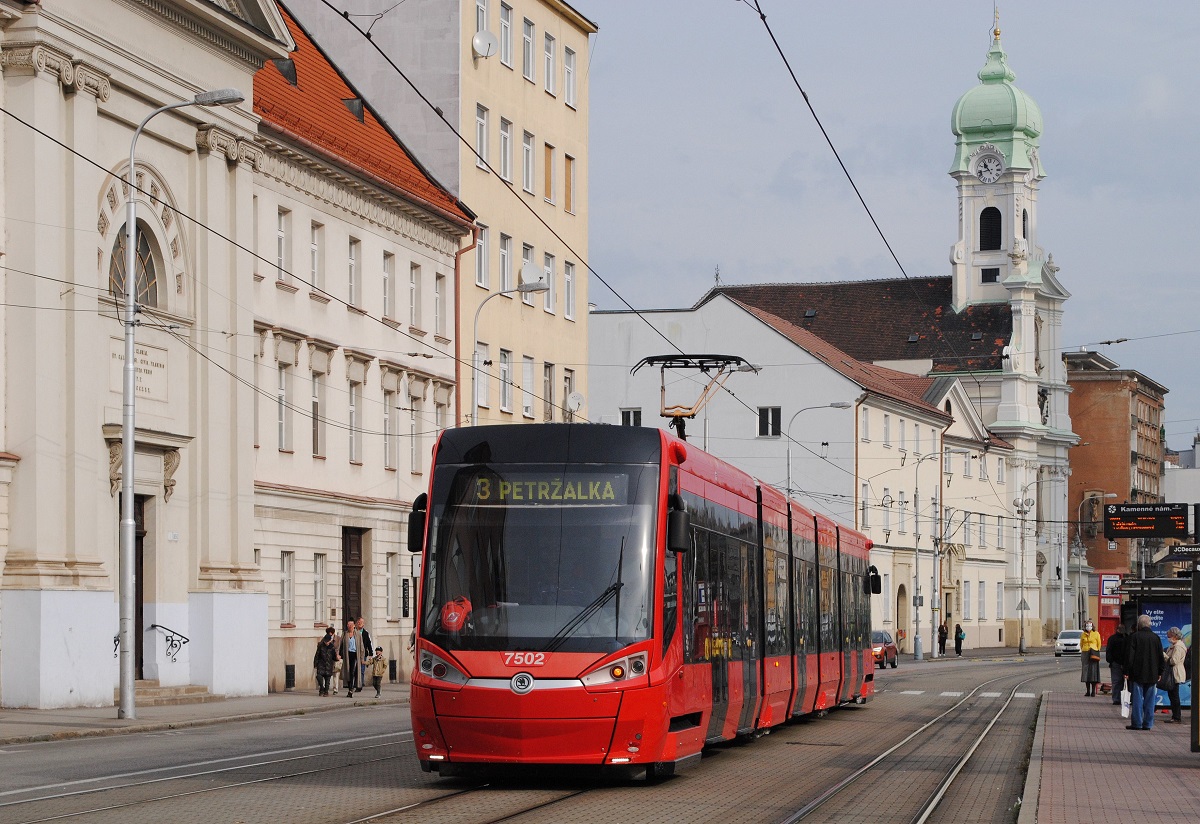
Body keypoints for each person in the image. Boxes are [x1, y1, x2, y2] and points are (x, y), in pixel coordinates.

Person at [1124, 614, 1164, 731]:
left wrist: (1126, 671)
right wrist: (1160, 672)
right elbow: (1160, 656)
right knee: (1150, 700)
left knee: (1137, 700)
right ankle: (1148, 723)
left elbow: (1129, 656)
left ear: (1139, 625)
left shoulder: (1135, 637)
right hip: (1152, 673)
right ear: (1149, 624)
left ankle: (1137, 723)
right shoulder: (1156, 638)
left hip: (1137, 673)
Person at [1163, 626, 1187, 724]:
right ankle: (1175, 716)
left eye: (1169, 636)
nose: (1168, 638)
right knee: (1172, 695)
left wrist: (1164, 655)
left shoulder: (1178, 646)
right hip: (1173, 672)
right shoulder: (1174, 645)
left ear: (1174, 636)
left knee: (1174, 695)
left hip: (1175, 673)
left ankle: (1177, 717)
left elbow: (1173, 661)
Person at [1105, 624, 1128, 706]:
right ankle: (1122, 699)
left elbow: (1109, 651)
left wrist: (1110, 660)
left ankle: (1116, 699)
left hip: (1116, 662)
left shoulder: (1112, 638)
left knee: (1116, 681)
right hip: (1122, 663)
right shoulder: (1126, 638)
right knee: (1123, 682)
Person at [312, 626, 339, 697]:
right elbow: (317, 655)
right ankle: (322, 688)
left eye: (328, 641)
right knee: (319, 677)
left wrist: (337, 658)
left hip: (329, 665)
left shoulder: (332, 647)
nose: (327, 643)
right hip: (321, 664)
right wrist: (315, 664)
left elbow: (334, 657)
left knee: (327, 680)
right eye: (326, 641)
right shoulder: (321, 646)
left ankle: (326, 691)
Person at [339, 619, 362, 698]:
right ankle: (349, 688)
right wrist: (338, 654)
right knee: (348, 672)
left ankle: (351, 688)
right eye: (348, 625)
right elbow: (340, 645)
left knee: (352, 671)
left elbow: (361, 646)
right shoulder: (345, 634)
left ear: (354, 626)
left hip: (355, 654)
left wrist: (362, 658)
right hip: (347, 655)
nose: (349, 627)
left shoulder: (358, 634)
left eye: (351, 625)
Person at [1079, 620, 1102, 696]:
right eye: (1087, 625)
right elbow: (1081, 644)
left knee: (1093, 672)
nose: (1088, 627)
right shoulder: (1083, 634)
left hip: (1093, 652)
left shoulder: (1096, 634)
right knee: (1086, 672)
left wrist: (1096, 650)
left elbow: (1099, 644)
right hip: (1085, 652)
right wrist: (1084, 649)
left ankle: (1093, 691)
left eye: (1090, 625)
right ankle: (1088, 691)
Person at [355, 616, 373, 693]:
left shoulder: (365, 633)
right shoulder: (354, 632)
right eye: (359, 622)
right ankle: (354, 683)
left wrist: (371, 653)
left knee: (362, 670)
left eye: (362, 623)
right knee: (355, 669)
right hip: (354, 653)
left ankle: (360, 684)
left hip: (363, 654)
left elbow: (369, 643)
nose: (360, 624)